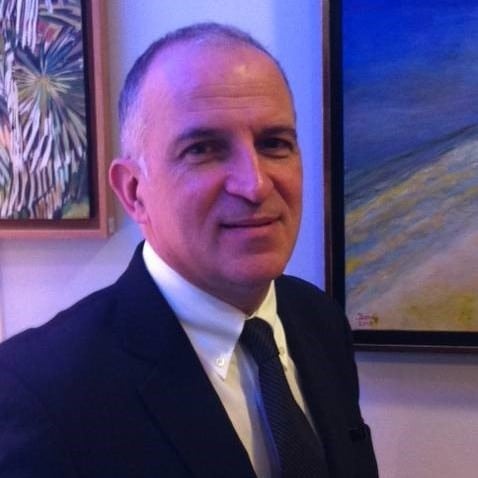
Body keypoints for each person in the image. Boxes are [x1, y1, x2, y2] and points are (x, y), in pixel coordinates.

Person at [0, 23, 378, 478]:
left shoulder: (320, 320)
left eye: (274, 144)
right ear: (134, 191)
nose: (256, 185)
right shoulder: (37, 392)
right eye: (204, 150)